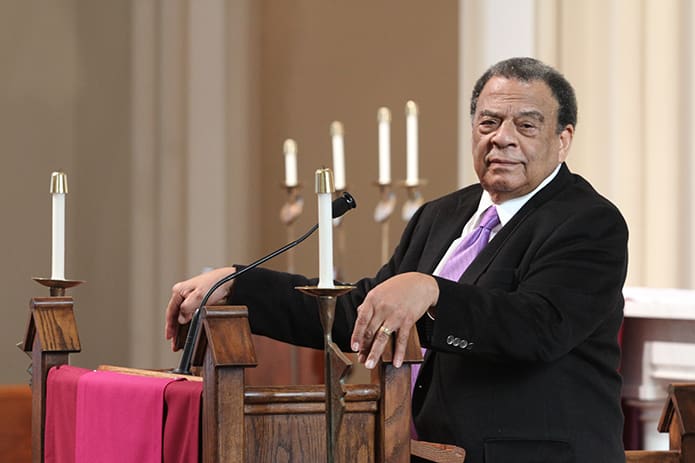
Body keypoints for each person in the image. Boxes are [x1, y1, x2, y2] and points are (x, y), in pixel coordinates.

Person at [165, 57, 628, 463]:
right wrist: (239, 283)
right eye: (488, 123)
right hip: (426, 451)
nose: (502, 139)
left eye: (526, 126)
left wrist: (433, 292)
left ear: (563, 139)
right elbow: (356, 314)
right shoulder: (443, 215)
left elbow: (537, 326)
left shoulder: (589, 222)